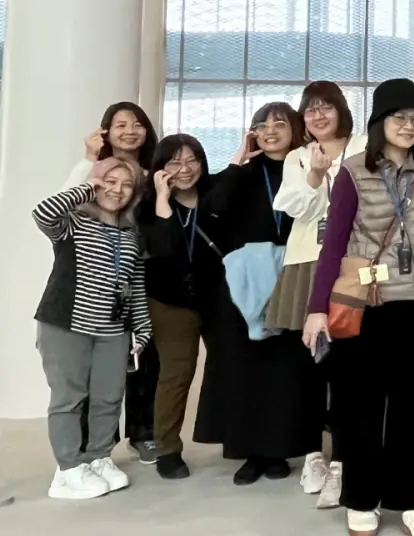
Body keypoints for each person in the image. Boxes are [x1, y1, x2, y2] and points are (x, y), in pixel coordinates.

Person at [303, 78, 414, 536]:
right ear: (380, 122)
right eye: (400, 117)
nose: (410, 126)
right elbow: (333, 244)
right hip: (369, 303)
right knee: (361, 404)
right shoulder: (353, 172)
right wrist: (316, 309)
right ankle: (361, 497)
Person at [194, 101, 327, 486]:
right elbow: (213, 207)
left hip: (294, 276)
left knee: (288, 365)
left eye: (279, 124)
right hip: (246, 284)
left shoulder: (307, 167)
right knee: (245, 365)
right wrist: (237, 162)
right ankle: (250, 452)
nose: (269, 131)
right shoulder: (243, 172)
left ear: (295, 129)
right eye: (261, 125)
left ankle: (280, 449)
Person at [33, 158, 150, 500]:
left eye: (126, 184)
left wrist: (142, 329)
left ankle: (99, 457)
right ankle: (68, 469)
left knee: (108, 397)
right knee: (69, 398)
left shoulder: (131, 234)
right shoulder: (71, 223)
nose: (117, 190)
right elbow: (42, 212)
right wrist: (87, 186)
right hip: (66, 325)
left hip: (113, 330)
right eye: (109, 182)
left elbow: (135, 285)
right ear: (96, 183)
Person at [272, 82, 364, 506]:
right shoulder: (296, 156)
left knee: (348, 366)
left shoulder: (363, 148)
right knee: (306, 367)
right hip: (306, 261)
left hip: (352, 264)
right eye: (311, 110)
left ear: (341, 110)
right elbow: (294, 208)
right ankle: (313, 454)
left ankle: (343, 458)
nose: (318, 116)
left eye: (326, 107)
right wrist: (314, 174)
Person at [67, 102, 159, 465]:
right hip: (102, 278)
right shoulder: (96, 171)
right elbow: (63, 205)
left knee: (144, 356)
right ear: (106, 131)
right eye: (121, 125)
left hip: (145, 273)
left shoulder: (155, 173)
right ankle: (94, 443)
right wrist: (88, 159)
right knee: (95, 366)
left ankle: (143, 432)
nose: (130, 131)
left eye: (137, 124)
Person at [138, 135, 219, 481]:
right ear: (160, 168)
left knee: (232, 366)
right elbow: (166, 247)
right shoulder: (146, 205)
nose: (184, 169)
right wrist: (162, 198)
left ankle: (242, 440)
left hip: (216, 298)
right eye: (174, 162)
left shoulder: (215, 196)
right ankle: (168, 449)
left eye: (191, 160)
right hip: (170, 301)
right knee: (176, 374)